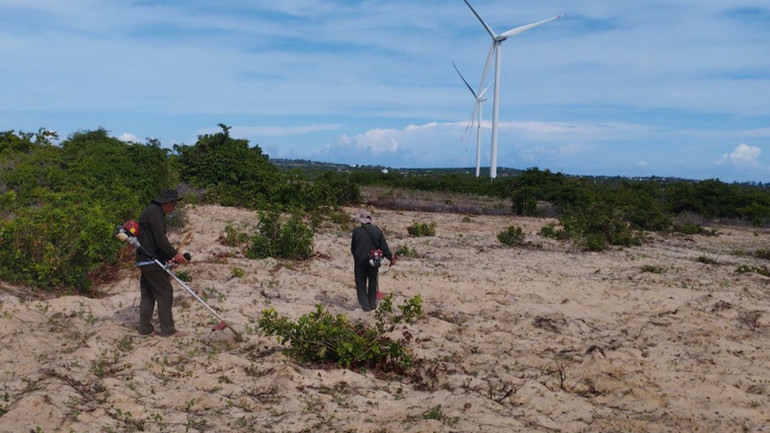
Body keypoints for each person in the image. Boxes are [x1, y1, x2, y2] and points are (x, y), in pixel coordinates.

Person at [136, 189, 189, 337]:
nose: (174, 207)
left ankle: (145, 329)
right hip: (151, 260)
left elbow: (154, 239)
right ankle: (168, 329)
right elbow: (160, 240)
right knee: (165, 292)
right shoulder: (154, 213)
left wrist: (169, 258)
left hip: (145, 260)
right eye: (173, 203)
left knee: (148, 294)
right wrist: (175, 254)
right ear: (165, 202)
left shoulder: (152, 211)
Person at [351, 210, 396, 312]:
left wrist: (357, 257)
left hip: (360, 261)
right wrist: (391, 259)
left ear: (361, 221)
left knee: (361, 283)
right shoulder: (377, 231)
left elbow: (353, 248)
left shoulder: (357, 232)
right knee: (372, 282)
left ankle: (365, 306)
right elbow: (384, 248)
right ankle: (372, 304)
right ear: (370, 220)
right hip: (373, 260)